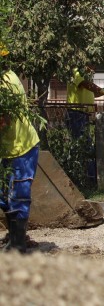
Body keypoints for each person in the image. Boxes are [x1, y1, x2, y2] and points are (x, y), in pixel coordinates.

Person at [0, 51, 41, 253]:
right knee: (4, 195)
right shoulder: (8, 76)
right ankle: (14, 237)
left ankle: (17, 244)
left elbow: (4, 119)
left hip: (22, 148)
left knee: (18, 196)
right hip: (8, 148)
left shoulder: (5, 83)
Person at [66, 65, 104, 187]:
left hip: (84, 114)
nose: (93, 68)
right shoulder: (76, 71)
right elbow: (84, 84)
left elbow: (92, 93)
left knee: (86, 146)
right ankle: (87, 179)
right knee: (83, 146)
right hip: (76, 113)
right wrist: (103, 91)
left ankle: (89, 178)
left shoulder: (87, 77)